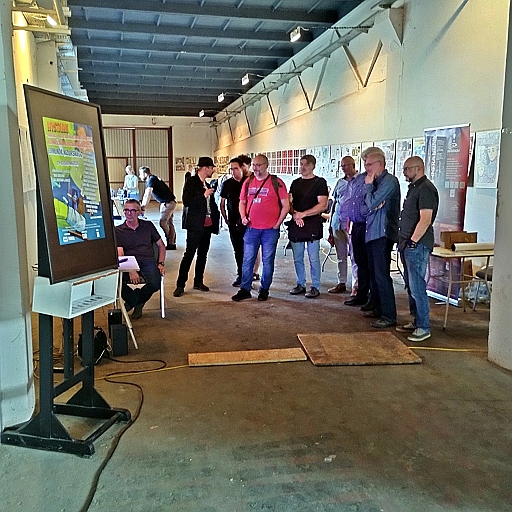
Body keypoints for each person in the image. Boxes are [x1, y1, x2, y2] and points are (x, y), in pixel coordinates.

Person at [232, 153, 289, 302]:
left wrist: (278, 223)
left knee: (267, 260)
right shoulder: (248, 182)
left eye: (259, 165)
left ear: (266, 165)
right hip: (251, 229)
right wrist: (243, 217)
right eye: (254, 165)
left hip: (270, 230)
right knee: (247, 260)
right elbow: (242, 202)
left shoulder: (277, 182)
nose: (255, 168)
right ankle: (245, 289)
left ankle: (264, 289)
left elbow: (286, 205)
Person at [397, 156, 439, 342]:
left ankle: (423, 327)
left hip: (417, 245)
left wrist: (413, 241)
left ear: (418, 168)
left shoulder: (426, 189)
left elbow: (425, 219)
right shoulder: (414, 188)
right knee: (411, 286)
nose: (404, 172)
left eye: (407, 169)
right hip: (407, 243)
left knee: (417, 287)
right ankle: (416, 321)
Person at [361, 147, 401, 328]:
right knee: (373, 273)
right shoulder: (374, 182)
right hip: (371, 232)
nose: (366, 168)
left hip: (382, 234)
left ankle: (389, 315)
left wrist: (369, 190)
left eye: (369, 164)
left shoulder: (389, 181)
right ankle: (378, 308)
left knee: (382, 275)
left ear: (380, 164)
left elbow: (370, 203)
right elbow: (364, 208)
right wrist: (372, 202)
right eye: (365, 164)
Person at [173, 157, 220, 297]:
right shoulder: (192, 182)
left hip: (207, 225)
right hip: (195, 225)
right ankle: (180, 285)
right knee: (189, 254)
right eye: (211, 168)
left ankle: (198, 281)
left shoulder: (206, 183)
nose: (213, 170)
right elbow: (186, 201)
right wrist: (203, 195)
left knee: (203, 254)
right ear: (205, 168)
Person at [115, 199, 166, 320]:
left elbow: (161, 246)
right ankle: (137, 301)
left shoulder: (148, 226)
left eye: (132, 210)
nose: (129, 213)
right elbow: (120, 254)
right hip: (128, 261)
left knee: (155, 283)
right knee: (116, 283)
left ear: (139, 212)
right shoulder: (118, 230)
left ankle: (134, 301)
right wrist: (131, 269)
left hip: (147, 260)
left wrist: (160, 263)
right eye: (126, 210)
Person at [288, 154, 328, 298]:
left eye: (306, 164)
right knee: (298, 258)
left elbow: (322, 205)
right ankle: (300, 284)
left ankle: (315, 286)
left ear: (313, 166)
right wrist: (295, 214)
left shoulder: (320, 183)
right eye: (301, 164)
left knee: (313, 258)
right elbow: (288, 203)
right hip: (297, 223)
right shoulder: (295, 183)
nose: (303, 167)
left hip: (312, 224)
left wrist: (303, 214)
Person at [328, 156, 358, 295]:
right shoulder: (340, 182)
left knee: (355, 256)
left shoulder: (360, 181)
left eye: (346, 165)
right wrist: (330, 225)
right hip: (337, 222)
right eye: (342, 166)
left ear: (353, 165)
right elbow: (334, 203)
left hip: (352, 224)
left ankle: (356, 286)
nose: (344, 168)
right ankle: (342, 282)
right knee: (341, 255)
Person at [220, 157, 250, 287]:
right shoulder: (227, 184)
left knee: (248, 250)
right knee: (237, 250)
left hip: (248, 222)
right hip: (233, 222)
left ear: (242, 168)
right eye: (231, 169)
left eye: (236, 168)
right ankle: (241, 275)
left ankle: (249, 275)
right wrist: (225, 218)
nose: (233, 172)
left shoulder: (249, 182)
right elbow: (222, 203)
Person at [139, 166, 178, 250]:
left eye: (140, 174)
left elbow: (147, 194)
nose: (139, 176)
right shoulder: (152, 178)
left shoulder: (151, 179)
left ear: (145, 174)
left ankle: (170, 240)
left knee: (162, 222)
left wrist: (143, 207)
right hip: (167, 202)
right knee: (169, 223)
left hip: (168, 203)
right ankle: (172, 243)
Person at [238, 153, 261, 281]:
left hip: (254, 219)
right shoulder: (239, 180)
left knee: (255, 247)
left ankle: (254, 271)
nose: (241, 169)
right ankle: (244, 272)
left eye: (242, 166)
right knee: (242, 248)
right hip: (241, 219)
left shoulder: (254, 179)